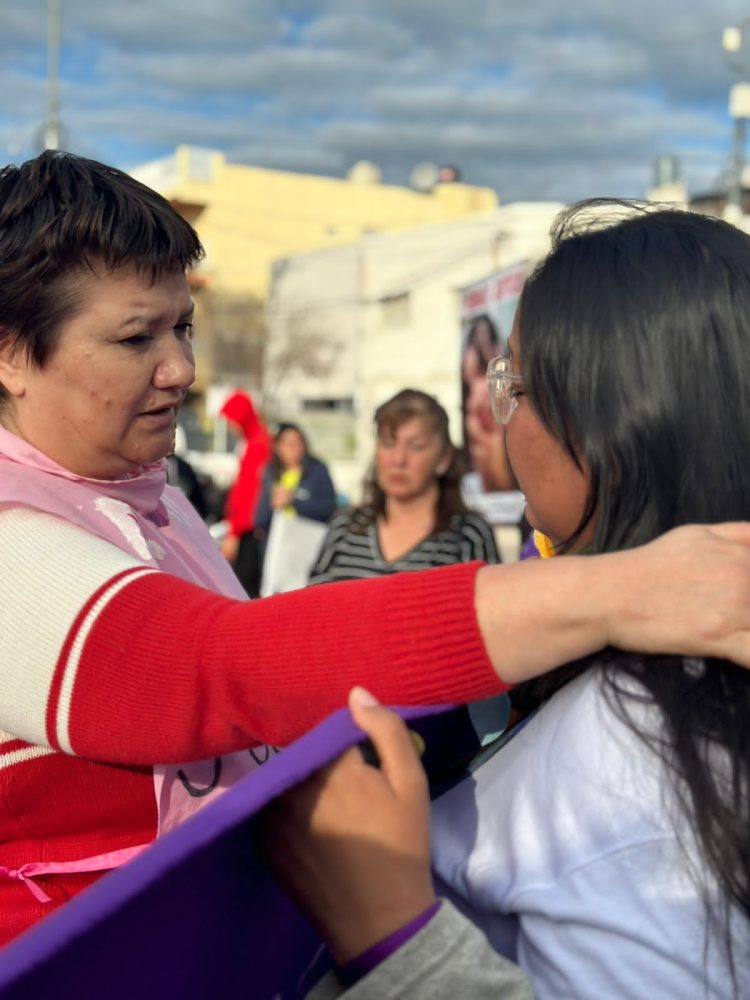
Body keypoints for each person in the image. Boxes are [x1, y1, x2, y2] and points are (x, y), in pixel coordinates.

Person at [1, 160, 750, 956]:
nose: (181, 369)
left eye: (182, 326)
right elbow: (216, 666)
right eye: (134, 337)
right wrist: (620, 591)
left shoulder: (152, 497)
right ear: (10, 354)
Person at [264, 204, 750, 998]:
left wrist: (389, 933)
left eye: (513, 385)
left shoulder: (635, 761)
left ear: (616, 428)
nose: (502, 419)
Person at [309, 389, 499, 585]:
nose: (398, 460)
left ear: (444, 457)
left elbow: (490, 609)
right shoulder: (345, 526)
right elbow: (311, 604)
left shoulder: (468, 535)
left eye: (416, 446)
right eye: (388, 443)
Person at [218, 388, 271, 597]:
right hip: (246, 528)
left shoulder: (257, 445)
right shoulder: (253, 442)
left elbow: (249, 495)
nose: (230, 426)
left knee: (243, 590)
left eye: (231, 420)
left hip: (248, 531)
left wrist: (235, 533)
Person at [461, 314, 516, 493]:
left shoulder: (500, 365)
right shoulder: (471, 361)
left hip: (496, 431)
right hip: (480, 429)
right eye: (478, 335)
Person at [255, 422, 336, 537]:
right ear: (277, 447)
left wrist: (293, 501)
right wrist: (272, 503)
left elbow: (329, 508)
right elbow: (260, 519)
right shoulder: (270, 472)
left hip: (307, 539)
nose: (294, 448)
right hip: (277, 542)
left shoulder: (317, 470)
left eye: (298, 443)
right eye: (288, 444)